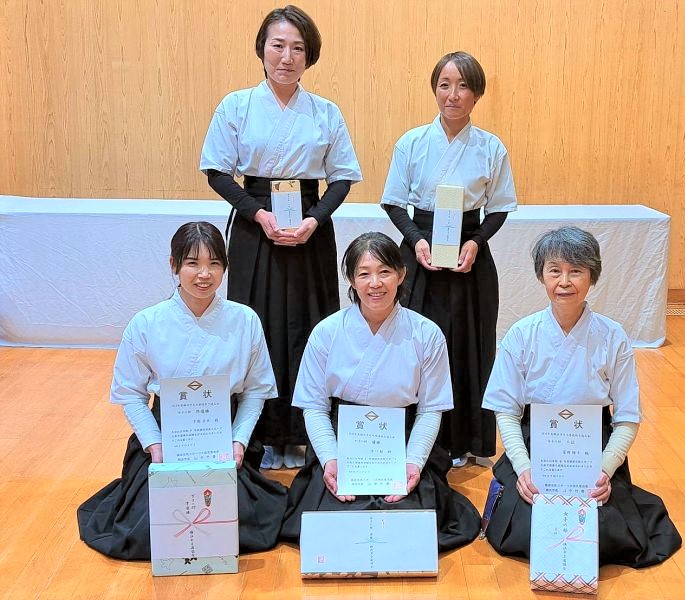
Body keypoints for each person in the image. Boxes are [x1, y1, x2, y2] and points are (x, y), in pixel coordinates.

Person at [199, 5, 362, 470]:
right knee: (256, 325)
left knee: (310, 325)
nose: (286, 57)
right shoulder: (236, 106)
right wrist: (258, 214)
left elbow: (343, 178)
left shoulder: (325, 112)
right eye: (278, 45)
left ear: (309, 56)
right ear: (262, 49)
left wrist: (314, 220)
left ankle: (307, 434)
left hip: (310, 225)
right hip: (255, 226)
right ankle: (260, 435)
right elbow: (217, 171)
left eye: (297, 48)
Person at [77, 222, 287, 560]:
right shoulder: (147, 323)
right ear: (173, 265)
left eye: (214, 264)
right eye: (192, 263)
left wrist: (238, 441)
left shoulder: (244, 319)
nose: (204, 274)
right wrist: (154, 444)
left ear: (225, 267)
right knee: (146, 529)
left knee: (242, 524)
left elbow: (255, 391)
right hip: (164, 435)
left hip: (223, 435)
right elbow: (131, 393)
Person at [481, 226, 682, 567]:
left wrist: (605, 470)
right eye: (554, 270)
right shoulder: (521, 334)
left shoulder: (612, 335)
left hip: (593, 446)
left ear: (592, 276)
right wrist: (524, 468)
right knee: (529, 526)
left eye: (576, 271)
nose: (564, 281)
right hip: (536, 442)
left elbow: (627, 416)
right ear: (541, 276)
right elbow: (507, 411)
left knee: (601, 529)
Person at [281, 232, 481, 552]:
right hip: (342, 439)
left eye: (384, 271)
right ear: (351, 279)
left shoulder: (426, 333)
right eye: (364, 274)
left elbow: (431, 409)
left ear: (401, 274)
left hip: (402, 439)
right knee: (334, 513)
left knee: (407, 513)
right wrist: (330, 458)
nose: (375, 283)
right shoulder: (326, 332)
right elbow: (315, 407)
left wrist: (413, 462)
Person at [381, 51, 516, 467]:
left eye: (462, 86)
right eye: (444, 85)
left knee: (470, 343)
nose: (452, 95)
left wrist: (476, 242)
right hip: (420, 250)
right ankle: (417, 439)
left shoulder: (490, 147)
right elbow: (393, 202)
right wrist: (416, 240)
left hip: (469, 253)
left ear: (477, 94)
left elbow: (499, 207)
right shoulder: (412, 142)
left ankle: (467, 440)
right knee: (416, 343)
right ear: (434, 89)